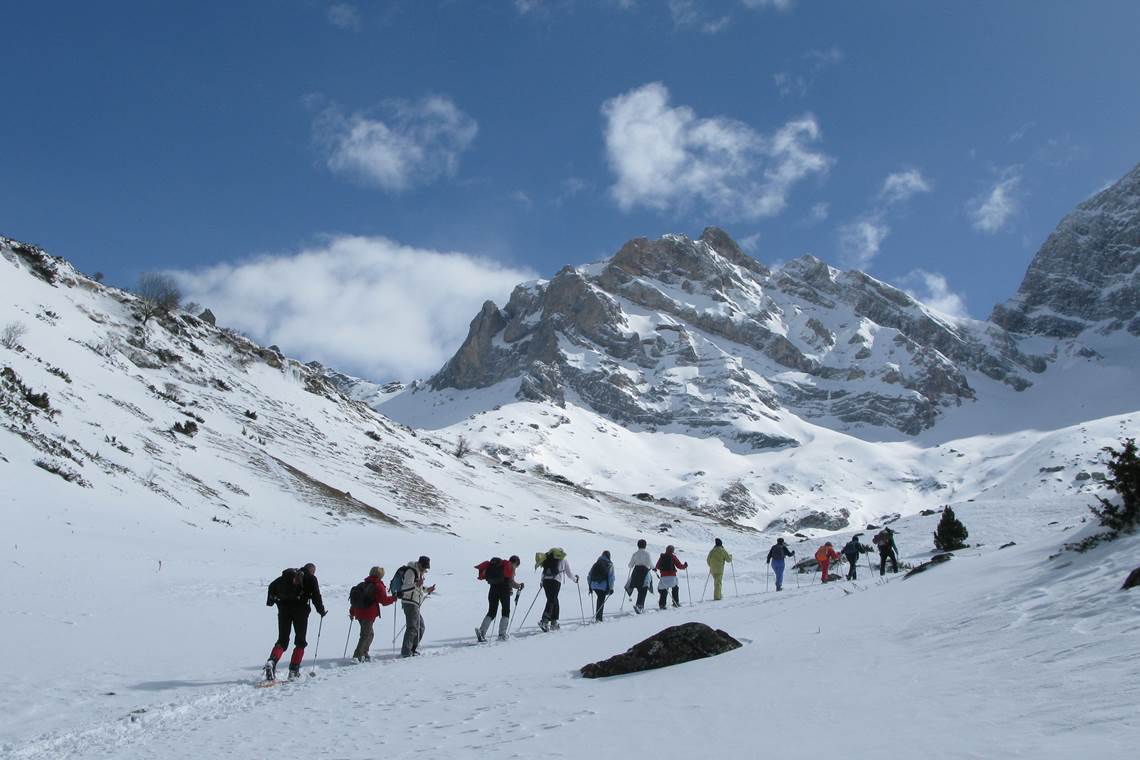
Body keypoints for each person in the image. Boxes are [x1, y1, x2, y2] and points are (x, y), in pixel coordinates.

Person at [264, 563, 327, 680]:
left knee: (282, 640)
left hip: (283, 611)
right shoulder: (311, 578)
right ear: (312, 571)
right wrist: (321, 611)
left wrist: (272, 602)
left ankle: (272, 662)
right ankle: (293, 671)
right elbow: (316, 596)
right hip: (301, 612)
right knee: (300, 641)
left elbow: (272, 586)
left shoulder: (286, 577)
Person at [348, 566, 396, 662]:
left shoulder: (362, 584)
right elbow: (384, 601)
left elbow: (356, 600)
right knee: (366, 634)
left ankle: (364, 653)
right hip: (369, 613)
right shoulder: (378, 585)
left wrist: (352, 612)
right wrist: (394, 598)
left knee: (369, 634)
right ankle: (358, 655)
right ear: (380, 575)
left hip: (359, 612)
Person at [474, 555, 523, 642]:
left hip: (493, 589)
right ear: (515, 563)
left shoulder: (501, 566)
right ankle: (502, 634)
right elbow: (511, 582)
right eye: (516, 565)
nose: (516, 567)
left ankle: (482, 632)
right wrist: (519, 586)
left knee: (491, 612)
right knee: (506, 611)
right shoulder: (509, 567)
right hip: (504, 591)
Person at [395, 556, 436, 657]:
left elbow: (419, 587)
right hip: (409, 602)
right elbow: (405, 588)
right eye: (425, 567)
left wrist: (427, 589)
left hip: (415, 603)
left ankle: (412, 649)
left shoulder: (419, 572)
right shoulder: (411, 571)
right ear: (420, 564)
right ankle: (406, 652)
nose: (425, 569)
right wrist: (417, 584)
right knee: (412, 627)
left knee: (420, 627)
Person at [535, 548, 576, 632]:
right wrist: (575, 579)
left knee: (553, 600)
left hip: (546, 581)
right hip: (556, 581)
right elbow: (569, 573)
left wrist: (542, 581)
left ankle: (554, 622)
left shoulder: (548, 559)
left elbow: (544, 571)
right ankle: (545, 621)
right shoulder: (564, 560)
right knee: (552, 600)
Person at [626, 539, 654, 613]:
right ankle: (640, 606)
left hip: (636, 572)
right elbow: (650, 563)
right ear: (645, 545)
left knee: (639, 589)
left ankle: (639, 605)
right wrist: (654, 568)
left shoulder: (635, 554)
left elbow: (630, 565)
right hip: (644, 572)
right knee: (643, 589)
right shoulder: (647, 554)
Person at [587, 551, 616, 622]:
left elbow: (589, 576)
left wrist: (590, 586)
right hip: (603, 586)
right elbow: (611, 578)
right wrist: (611, 588)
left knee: (600, 599)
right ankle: (599, 619)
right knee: (601, 599)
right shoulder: (609, 564)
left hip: (594, 585)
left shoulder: (596, 563)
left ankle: (598, 617)